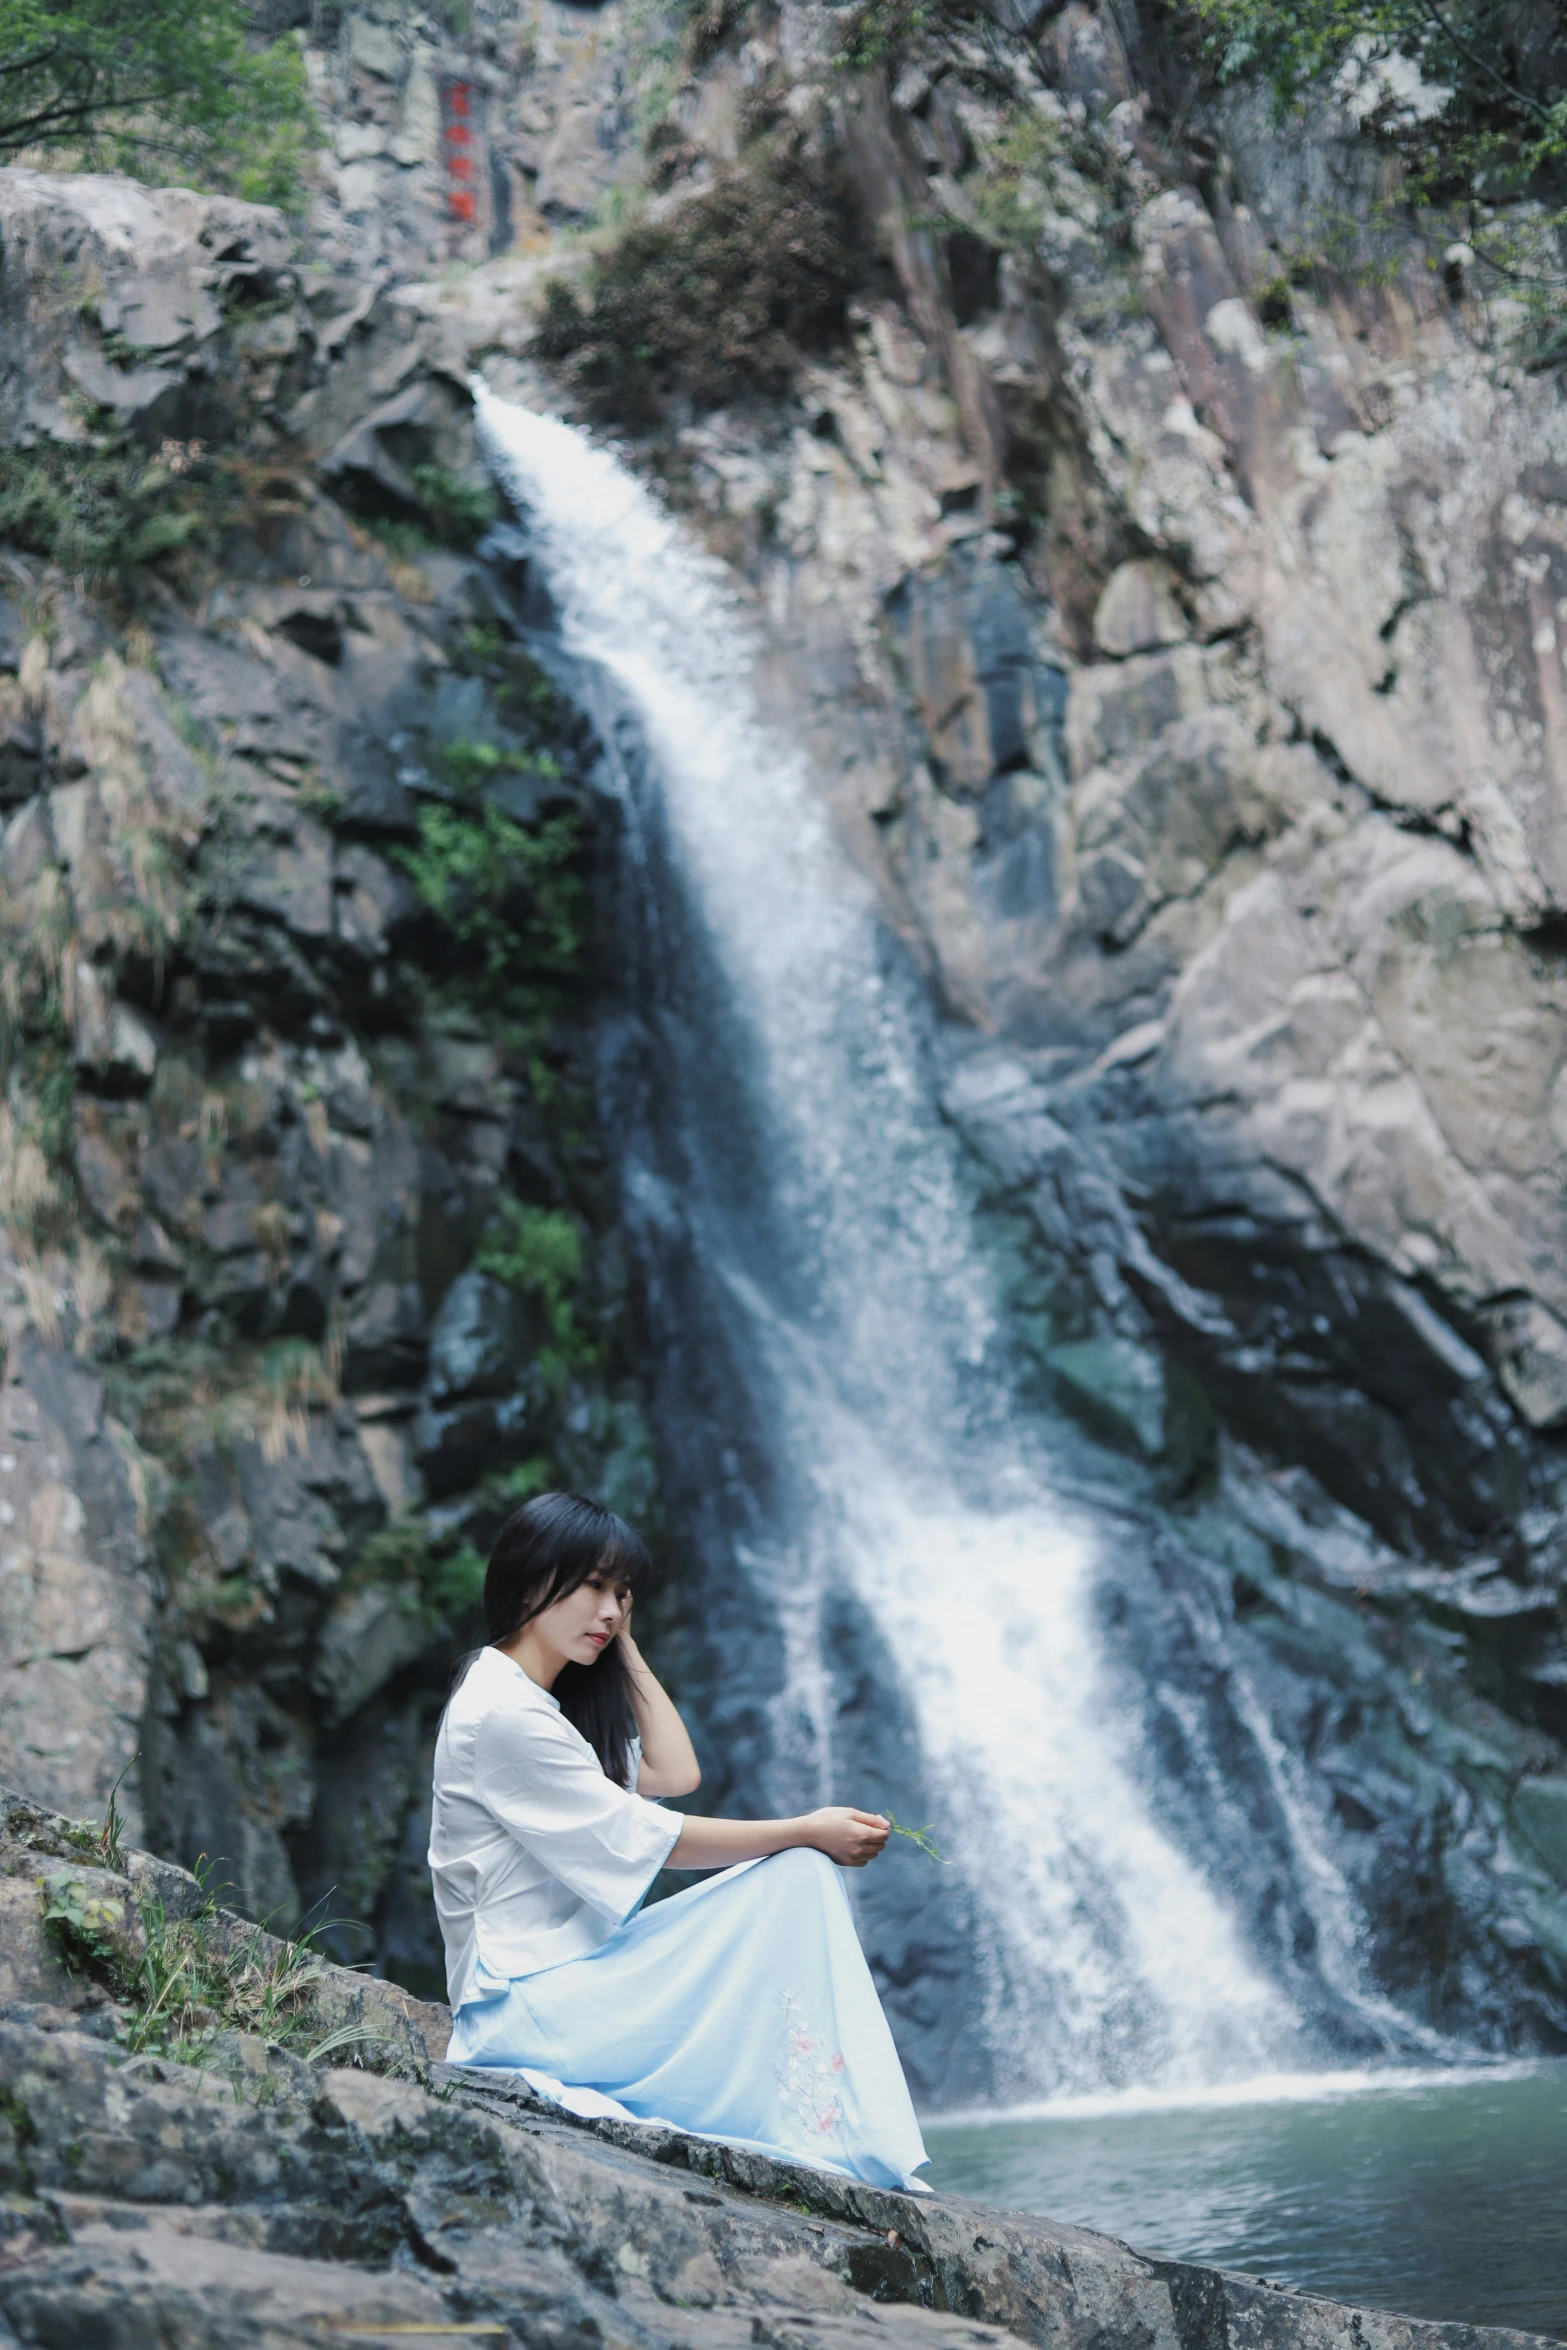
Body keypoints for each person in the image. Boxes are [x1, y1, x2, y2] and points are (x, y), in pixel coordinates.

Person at [429, 1490, 930, 2192]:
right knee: (797, 1869)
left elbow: (673, 1771)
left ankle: (839, 2131)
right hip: (522, 2012)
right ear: (532, 1576)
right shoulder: (502, 1712)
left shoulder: (535, 1701)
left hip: (568, 1982)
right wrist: (807, 1828)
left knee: (794, 1878)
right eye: (595, 1586)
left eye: (624, 1594)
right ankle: (836, 2132)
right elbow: (658, 1841)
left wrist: (619, 1642)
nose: (609, 1609)